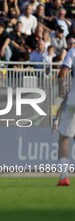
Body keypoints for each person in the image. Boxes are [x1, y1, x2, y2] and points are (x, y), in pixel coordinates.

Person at [51, 46, 75, 186]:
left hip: (73, 101)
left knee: (64, 140)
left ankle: (64, 176)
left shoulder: (72, 51)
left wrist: (60, 90)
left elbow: (62, 74)